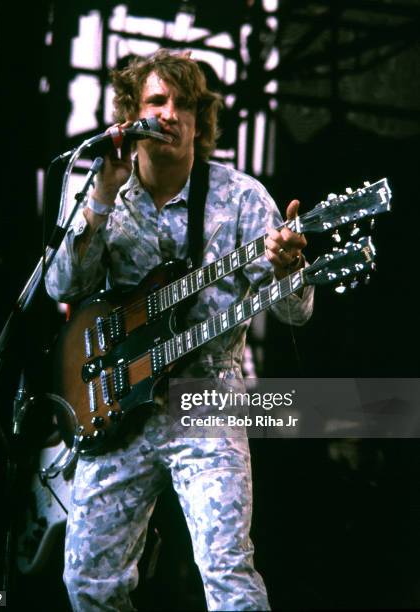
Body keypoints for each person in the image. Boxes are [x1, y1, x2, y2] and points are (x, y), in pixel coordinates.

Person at [45, 49, 313, 612]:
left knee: (228, 575)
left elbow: (295, 313)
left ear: (199, 120)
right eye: (156, 101)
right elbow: (61, 287)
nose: (170, 114)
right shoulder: (105, 197)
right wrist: (98, 197)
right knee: (87, 582)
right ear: (131, 114)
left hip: (207, 398)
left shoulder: (241, 199)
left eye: (183, 104)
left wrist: (291, 270)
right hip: (116, 402)